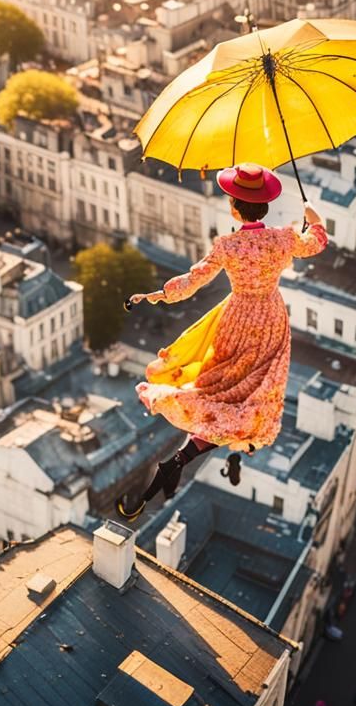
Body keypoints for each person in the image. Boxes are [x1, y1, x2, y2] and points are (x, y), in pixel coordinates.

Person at [116, 162, 328, 520]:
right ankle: (208, 456)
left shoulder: (228, 245)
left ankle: (181, 463)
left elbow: (191, 281)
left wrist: (155, 295)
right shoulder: (282, 238)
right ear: (266, 205)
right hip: (271, 319)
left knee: (219, 392)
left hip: (235, 319)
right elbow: (317, 244)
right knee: (255, 395)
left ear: (234, 208)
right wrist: (314, 218)